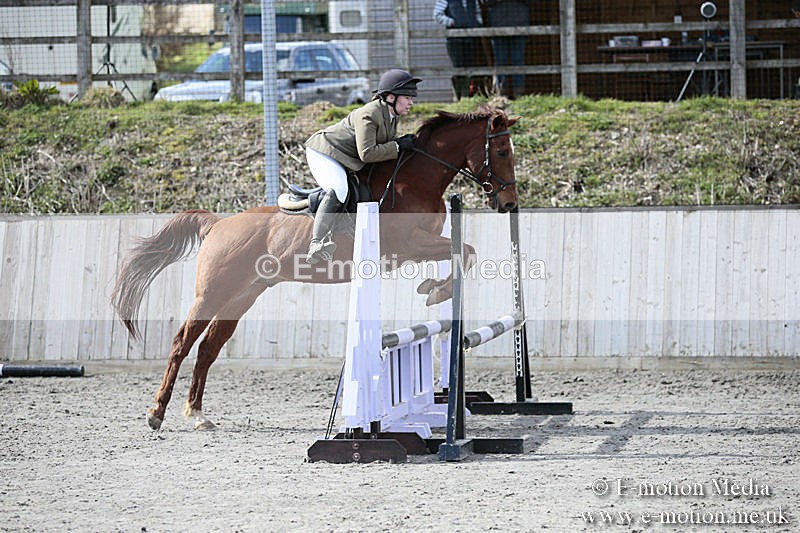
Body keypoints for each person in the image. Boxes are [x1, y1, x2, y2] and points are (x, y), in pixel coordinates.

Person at [303, 69, 421, 264]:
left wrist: (400, 143)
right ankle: (316, 243)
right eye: (407, 97)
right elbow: (367, 153)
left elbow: (382, 146)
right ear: (391, 97)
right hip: (324, 152)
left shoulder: (391, 115)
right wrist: (398, 146)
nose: (411, 102)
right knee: (339, 190)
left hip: (346, 157)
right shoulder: (370, 113)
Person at [433, 0, 483, 99]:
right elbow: (437, 15)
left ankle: (466, 96)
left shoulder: (474, 1)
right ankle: (458, 96)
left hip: (472, 38)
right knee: (458, 67)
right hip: (454, 39)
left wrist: (477, 25)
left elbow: (478, 14)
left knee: (470, 67)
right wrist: (451, 22)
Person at [484, 0, 529, 98]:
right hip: (498, 24)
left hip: (519, 24)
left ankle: (519, 93)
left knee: (518, 59)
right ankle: (501, 93)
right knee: (500, 59)